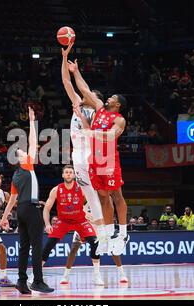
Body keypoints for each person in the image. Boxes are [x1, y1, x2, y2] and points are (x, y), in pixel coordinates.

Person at [68, 56, 128, 256]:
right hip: (94, 158)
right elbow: (84, 90)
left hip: (108, 158)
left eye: (114, 98)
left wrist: (91, 133)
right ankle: (106, 235)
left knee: (116, 196)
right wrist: (75, 71)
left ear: (118, 105)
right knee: (102, 197)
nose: (110, 98)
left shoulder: (119, 119)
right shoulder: (100, 108)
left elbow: (111, 136)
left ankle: (123, 234)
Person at [60, 43, 108, 254]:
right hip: (77, 154)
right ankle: (99, 231)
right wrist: (64, 58)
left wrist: (80, 117)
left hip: (91, 153)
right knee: (89, 193)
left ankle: (103, 228)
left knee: (98, 193)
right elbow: (66, 82)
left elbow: (90, 132)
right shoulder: (78, 102)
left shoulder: (98, 113)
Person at [0, 107, 54, 294]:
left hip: (21, 211)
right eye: (22, 152)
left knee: (24, 248)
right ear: (20, 158)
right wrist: (32, 121)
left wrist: (4, 217)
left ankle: (22, 281)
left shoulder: (15, 176)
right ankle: (37, 281)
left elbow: (12, 200)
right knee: (37, 245)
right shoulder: (26, 164)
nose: (26, 151)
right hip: (31, 209)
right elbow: (33, 142)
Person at [41, 165, 103, 286]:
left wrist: (96, 221)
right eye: (67, 172)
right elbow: (46, 209)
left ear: (74, 175)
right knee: (49, 245)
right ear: (63, 175)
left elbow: (94, 205)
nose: (69, 174)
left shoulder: (82, 189)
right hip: (63, 221)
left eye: (71, 172)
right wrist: (47, 224)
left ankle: (97, 276)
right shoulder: (56, 190)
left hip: (80, 220)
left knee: (95, 242)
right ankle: (36, 275)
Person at [61, 202, 129, 285]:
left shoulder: (104, 198)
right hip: (84, 225)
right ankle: (65, 276)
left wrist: (97, 219)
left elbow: (108, 214)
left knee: (112, 249)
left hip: (100, 227)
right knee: (74, 248)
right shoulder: (84, 195)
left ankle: (121, 274)